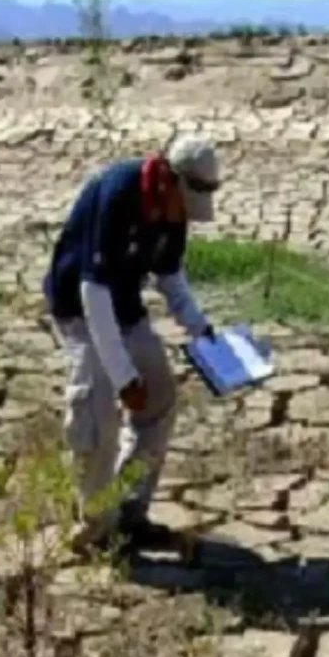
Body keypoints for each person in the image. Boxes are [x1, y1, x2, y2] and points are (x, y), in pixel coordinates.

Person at [43, 134, 222, 554]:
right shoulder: (118, 191)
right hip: (81, 309)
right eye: (187, 204)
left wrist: (200, 328)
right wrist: (123, 376)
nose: (186, 216)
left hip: (125, 307)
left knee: (159, 398)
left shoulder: (175, 208)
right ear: (170, 179)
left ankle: (128, 512)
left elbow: (169, 275)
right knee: (95, 412)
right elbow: (93, 292)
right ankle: (95, 525)